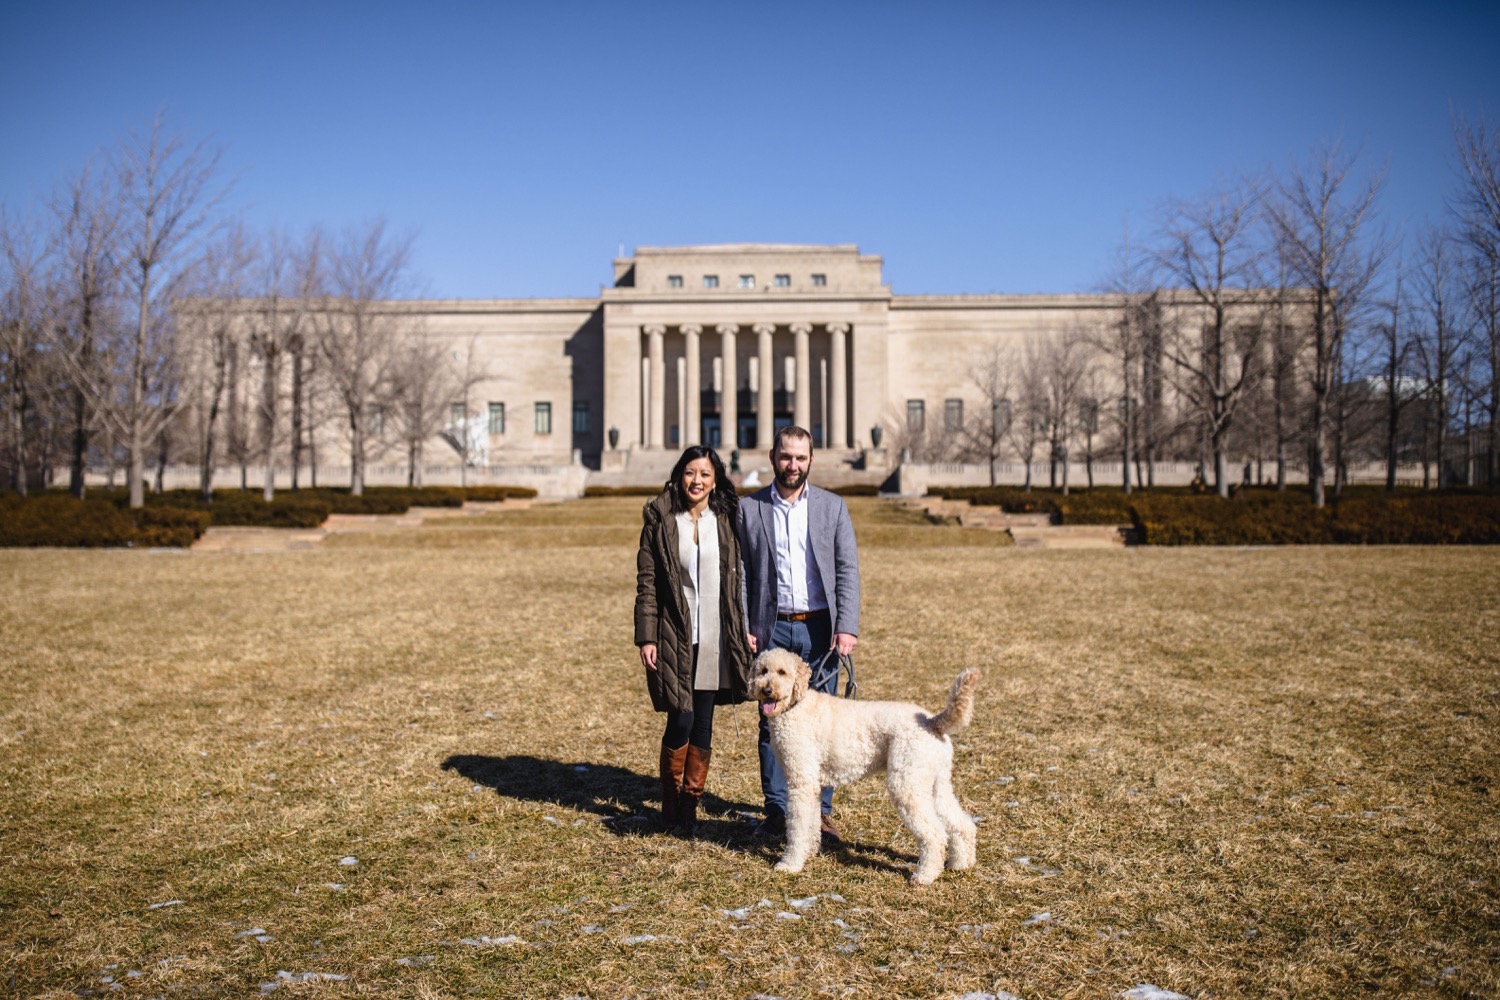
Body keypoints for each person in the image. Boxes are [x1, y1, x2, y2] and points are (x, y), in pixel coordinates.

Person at [736, 425, 860, 842]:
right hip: (771, 628)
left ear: (811, 460)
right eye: (786, 457)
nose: (793, 465)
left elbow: (847, 570)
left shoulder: (832, 507)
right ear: (773, 457)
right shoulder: (749, 509)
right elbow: (743, 574)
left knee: (822, 724)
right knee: (771, 721)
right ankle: (776, 809)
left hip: (821, 627)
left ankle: (821, 813)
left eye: (801, 458)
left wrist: (847, 626)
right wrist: (746, 625)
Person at [634, 445, 754, 835]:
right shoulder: (661, 519)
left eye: (704, 473)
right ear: (678, 475)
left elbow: (742, 580)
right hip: (675, 633)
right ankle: (670, 802)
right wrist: (646, 636)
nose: (696, 481)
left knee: (703, 720)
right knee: (680, 716)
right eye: (690, 472)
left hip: (717, 632)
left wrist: (745, 627)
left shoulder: (728, 518)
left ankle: (689, 808)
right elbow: (647, 584)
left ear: (715, 478)